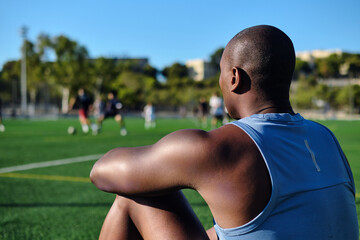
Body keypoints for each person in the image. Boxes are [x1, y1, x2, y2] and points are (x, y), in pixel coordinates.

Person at [90, 25, 359, 240]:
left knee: (137, 192)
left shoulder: (224, 145)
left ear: (234, 77)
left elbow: (101, 172)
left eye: (220, 74)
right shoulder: (327, 139)